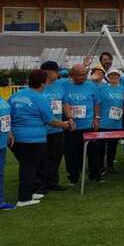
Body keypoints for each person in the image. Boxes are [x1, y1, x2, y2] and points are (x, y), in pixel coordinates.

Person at [10, 70, 73, 207]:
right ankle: (24, 198)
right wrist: (65, 125)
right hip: (33, 139)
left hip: (15, 138)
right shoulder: (40, 98)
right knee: (29, 168)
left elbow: (9, 115)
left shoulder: (16, 95)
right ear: (43, 83)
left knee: (28, 166)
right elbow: (50, 120)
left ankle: (31, 191)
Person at [62, 64, 102, 184]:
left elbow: (97, 103)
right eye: (79, 75)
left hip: (89, 125)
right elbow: (65, 103)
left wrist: (96, 118)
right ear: (72, 75)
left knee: (94, 152)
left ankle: (95, 175)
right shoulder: (65, 85)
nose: (82, 77)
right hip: (73, 126)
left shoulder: (91, 85)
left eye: (84, 74)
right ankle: (73, 177)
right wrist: (69, 118)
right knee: (72, 153)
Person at [37, 60, 68, 192]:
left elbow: (65, 103)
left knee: (56, 156)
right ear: (47, 72)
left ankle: (53, 181)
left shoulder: (60, 86)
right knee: (42, 158)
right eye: (56, 71)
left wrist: (70, 117)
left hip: (58, 128)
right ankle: (40, 184)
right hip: (42, 129)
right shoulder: (38, 87)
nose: (58, 74)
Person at [97, 68, 124, 173]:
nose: (114, 77)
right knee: (101, 146)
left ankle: (110, 165)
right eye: (111, 75)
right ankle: (100, 166)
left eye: (116, 75)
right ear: (108, 77)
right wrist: (97, 117)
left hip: (116, 122)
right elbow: (97, 103)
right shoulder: (102, 88)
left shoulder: (123, 88)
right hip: (104, 121)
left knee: (113, 145)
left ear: (119, 76)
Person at [0, 95, 15, 210]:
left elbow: (6, 118)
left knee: (0, 172)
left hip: (2, 142)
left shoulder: (2, 101)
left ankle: (0, 201)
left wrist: (9, 133)